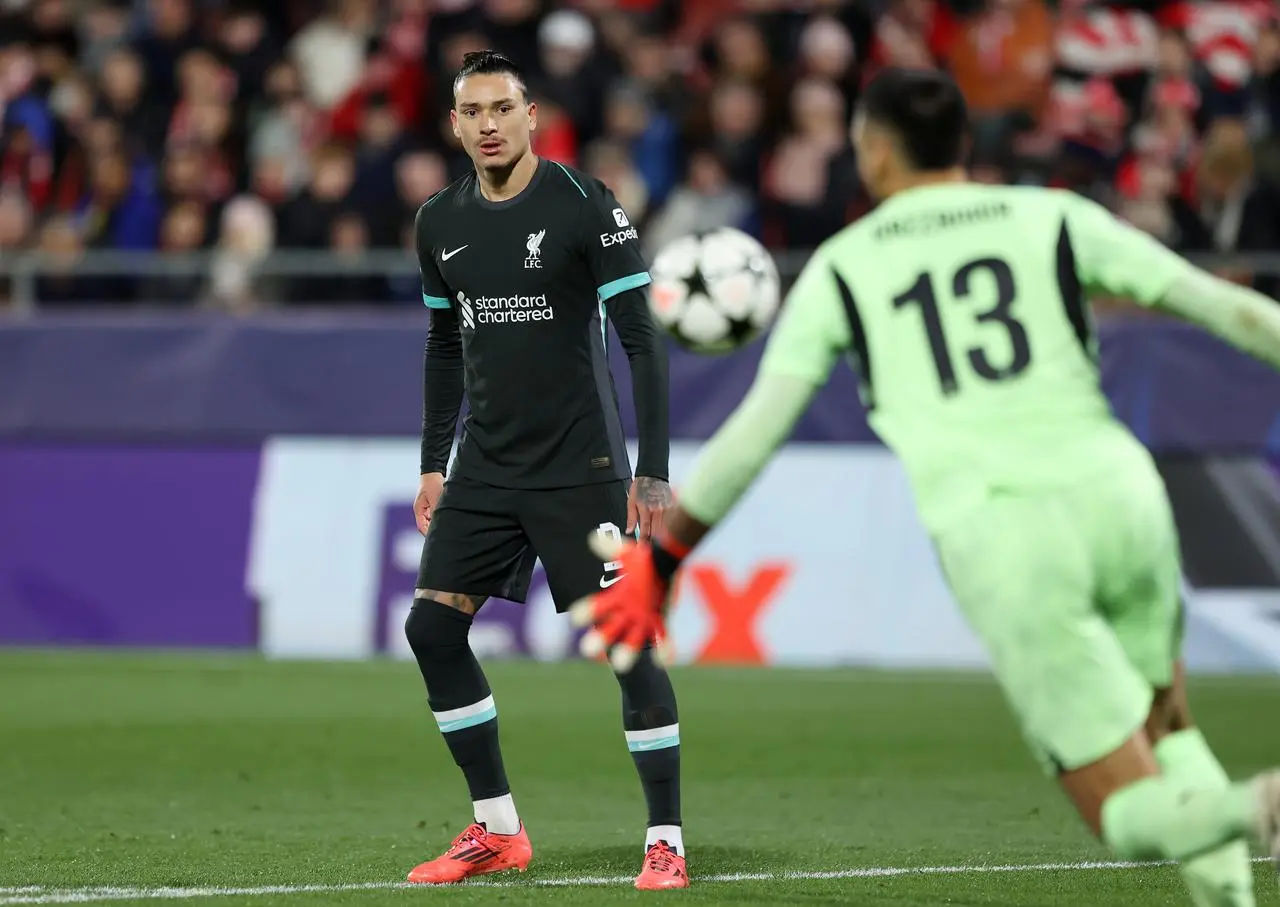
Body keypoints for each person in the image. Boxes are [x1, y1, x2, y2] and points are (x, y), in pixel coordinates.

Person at [575, 67, 1280, 905]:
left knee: (1125, 813)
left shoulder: (845, 266)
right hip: (1122, 493)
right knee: (1169, 726)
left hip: (1003, 533)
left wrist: (668, 557)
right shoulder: (1053, 215)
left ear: (874, 151)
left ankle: (1258, 803)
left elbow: (755, 432)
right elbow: (1222, 307)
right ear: (963, 145)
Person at [404, 51, 688, 890]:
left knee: (628, 645)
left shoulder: (583, 205)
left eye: (502, 107)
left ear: (532, 115)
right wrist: (432, 460)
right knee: (431, 629)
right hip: (486, 468)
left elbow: (641, 337)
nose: (488, 124)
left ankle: (665, 838)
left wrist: (653, 469)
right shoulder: (438, 221)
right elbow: (444, 344)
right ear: (455, 125)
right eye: (472, 112)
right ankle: (497, 829)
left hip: (581, 468)